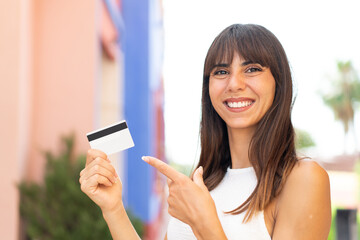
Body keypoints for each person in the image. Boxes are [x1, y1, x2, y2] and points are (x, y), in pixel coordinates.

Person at [79, 24, 331, 239]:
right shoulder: (200, 184)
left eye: (252, 69)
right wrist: (113, 208)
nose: (234, 84)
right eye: (221, 71)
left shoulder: (302, 179)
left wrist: (204, 224)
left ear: (279, 81)